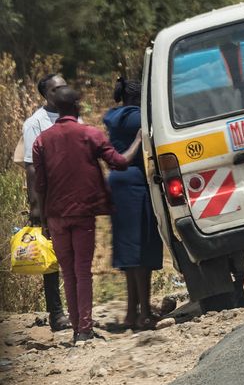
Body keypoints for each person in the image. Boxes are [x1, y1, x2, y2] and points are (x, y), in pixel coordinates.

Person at [32, 87, 142, 343]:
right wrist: (138, 139)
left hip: (56, 216)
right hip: (83, 214)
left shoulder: (42, 141)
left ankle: (76, 329)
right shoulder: (90, 134)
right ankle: (85, 329)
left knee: (68, 273)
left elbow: (40, 184)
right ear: (77, 107)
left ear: (57, 109)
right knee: (83, 271)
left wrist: (44, 218)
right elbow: (120, 162)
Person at [104, 79, 163, 331]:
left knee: (130, 252)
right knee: (142, 248)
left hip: (118, 184)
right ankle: (144, 314)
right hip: (136, 183)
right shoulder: (138, 118)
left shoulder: (113, 116)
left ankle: (131, 313)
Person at [21, 74, 71, 332]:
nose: (64, 90)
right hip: (50, 197)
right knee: (50, 258)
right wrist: (35, 206)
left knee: (73, 253)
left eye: (65, 85)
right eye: (58, 88)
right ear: (47, 95)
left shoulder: (72, 114)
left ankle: (77, 308)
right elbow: (31, 167)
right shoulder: (35, 123)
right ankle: (57, 313)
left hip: (73, 195)